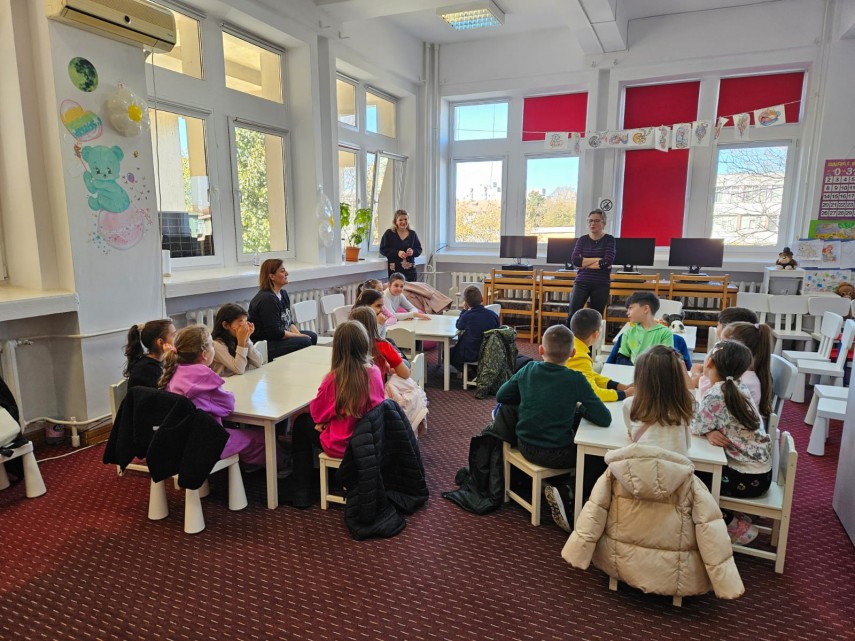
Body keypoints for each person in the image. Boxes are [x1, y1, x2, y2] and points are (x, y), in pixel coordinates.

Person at [496, 324, 611, 531]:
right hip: (558, 453)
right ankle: (568, 491)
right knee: (598, 455)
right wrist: (579, 407)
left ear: (541, 349)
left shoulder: (528, 370)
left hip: (524, 445)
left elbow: (502, 396)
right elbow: (604, 418)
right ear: (573, 352)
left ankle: (557, 488)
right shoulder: (575, 379)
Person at [288, 321, 386, 507]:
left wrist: (325, 422)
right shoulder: (374, 373)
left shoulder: (335, 379)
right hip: (368, 440)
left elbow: (317, 414)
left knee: (301, 423)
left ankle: (301, 490)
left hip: (342, 444)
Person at [690, 340, 772, 545]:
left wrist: (707, 431)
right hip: (761, 474)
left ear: (708, 362)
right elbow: (708, 424)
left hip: (745, 478)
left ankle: (733, 524)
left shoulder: (717, 394)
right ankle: (727, 516)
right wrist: (710, 432)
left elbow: (695, 426)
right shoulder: (737, 387)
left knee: (690, 479)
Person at [160, 325, 276, 470]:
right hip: (206, 442)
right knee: (262, 438)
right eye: (212, 346)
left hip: (178, 440)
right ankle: (282, 467)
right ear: (204, 354)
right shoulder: (203, 377)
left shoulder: (174, 371)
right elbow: (228, 406)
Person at [623, 345, 695, 455]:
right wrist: (682, 369)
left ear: (640, 378)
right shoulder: (684, 405)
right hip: (677, 470)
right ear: (678, 377)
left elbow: (631, 433)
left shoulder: (631, 404)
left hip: (641, 468)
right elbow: (690, 391)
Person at [693, 321, 773, 417]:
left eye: (722, 343)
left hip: (733, 429)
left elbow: (708, 404)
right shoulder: (741, 373)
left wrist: (706, 375)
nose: (717, 348)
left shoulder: (743, 380)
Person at [248, 259, 317, 360]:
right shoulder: (267, 299)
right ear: (272, 276)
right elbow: (276, 333)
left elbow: (289, 323)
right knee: (305, 341)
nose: (287, 273)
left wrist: (299, 335)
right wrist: (300, 337)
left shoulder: (283, 294)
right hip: (264, 344)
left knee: (312, 336)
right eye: (282, 271)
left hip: (277, 337)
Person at [566, 308, 633, 402]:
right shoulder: (580, 357)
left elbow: (590, 375)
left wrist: (620, 386)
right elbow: (592, 393)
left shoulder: (573, 344)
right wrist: (625, 394)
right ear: (596, 334)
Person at [566, 209, 616, 320]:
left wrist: (584, 263)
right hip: (581, 282)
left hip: (601, 284)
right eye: (590, 221)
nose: (593, 224)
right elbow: (575, 261)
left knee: (596, 317)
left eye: (597, 221)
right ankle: (570, 338)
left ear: (603, 223)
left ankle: (594, 338)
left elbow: (606, 262)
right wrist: (598, 259)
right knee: (572, 315)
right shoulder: (582, 240)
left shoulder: (609, 239)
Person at [349, 306, 410, 380]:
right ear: (374, 325)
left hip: (351, 390)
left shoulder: (347, 345)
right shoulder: (383, 346)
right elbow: (406, 374)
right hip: (378, 389)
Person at [616, 291, 674, 365]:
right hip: (632, 373)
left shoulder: (665, 333)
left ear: (646, 309)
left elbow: (667, 360)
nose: (627, 312)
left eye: (630, 308)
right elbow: (622, 357)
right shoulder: (628, 333)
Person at [450, 285, 499, 371]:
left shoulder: (467, 316)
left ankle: (468, 373)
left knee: (447, 354)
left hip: (471, 352)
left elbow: (459, 326)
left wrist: (464, 310)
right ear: (482, 299)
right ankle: (474, 370)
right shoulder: (493, 315)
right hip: (490, 352)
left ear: (466, 303)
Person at [210, 303, 263, 377]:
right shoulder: (217, 344)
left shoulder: (237, 337)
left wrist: (246, 339)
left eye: (246, 321)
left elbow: (258, 362)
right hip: (226, 384)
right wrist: (241, 342)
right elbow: (239, 369)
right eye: (240, 322)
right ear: (225, 325)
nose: (244, 326)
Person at [123, 319, 176, 389]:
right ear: (160, 342)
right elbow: (167, 390)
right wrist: (171, 358)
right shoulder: (148, 369)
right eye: (173, 335)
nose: (176, 338)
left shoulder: (158, 361)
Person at [379, 209, 422, 281]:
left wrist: (412, 251)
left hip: (410, 271)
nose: (403, 222)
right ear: (396, 221)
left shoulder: (412, 234)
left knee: (411, 291)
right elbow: (382, 249)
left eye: (405, 219)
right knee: (396, 291)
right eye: (400, 220)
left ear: (408, 220)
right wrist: (397, 253)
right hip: (395, 271)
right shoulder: (389, 233)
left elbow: (419, 249)